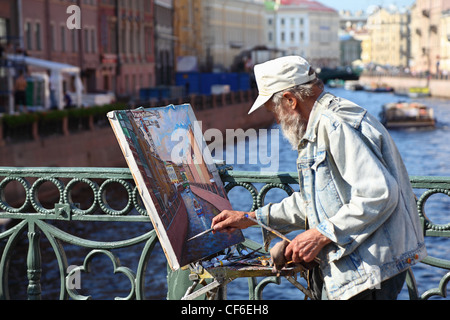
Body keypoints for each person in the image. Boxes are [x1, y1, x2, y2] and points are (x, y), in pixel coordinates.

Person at [211, 56, 427, 300]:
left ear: (290, 100)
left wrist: (318, 235)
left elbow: (378, 194)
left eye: (274, 111)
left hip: (369, 269)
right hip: (360, 267)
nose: (276, 119)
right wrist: (251, 218)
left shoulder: (334, 125)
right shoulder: (320, 123)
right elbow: (316, 199)